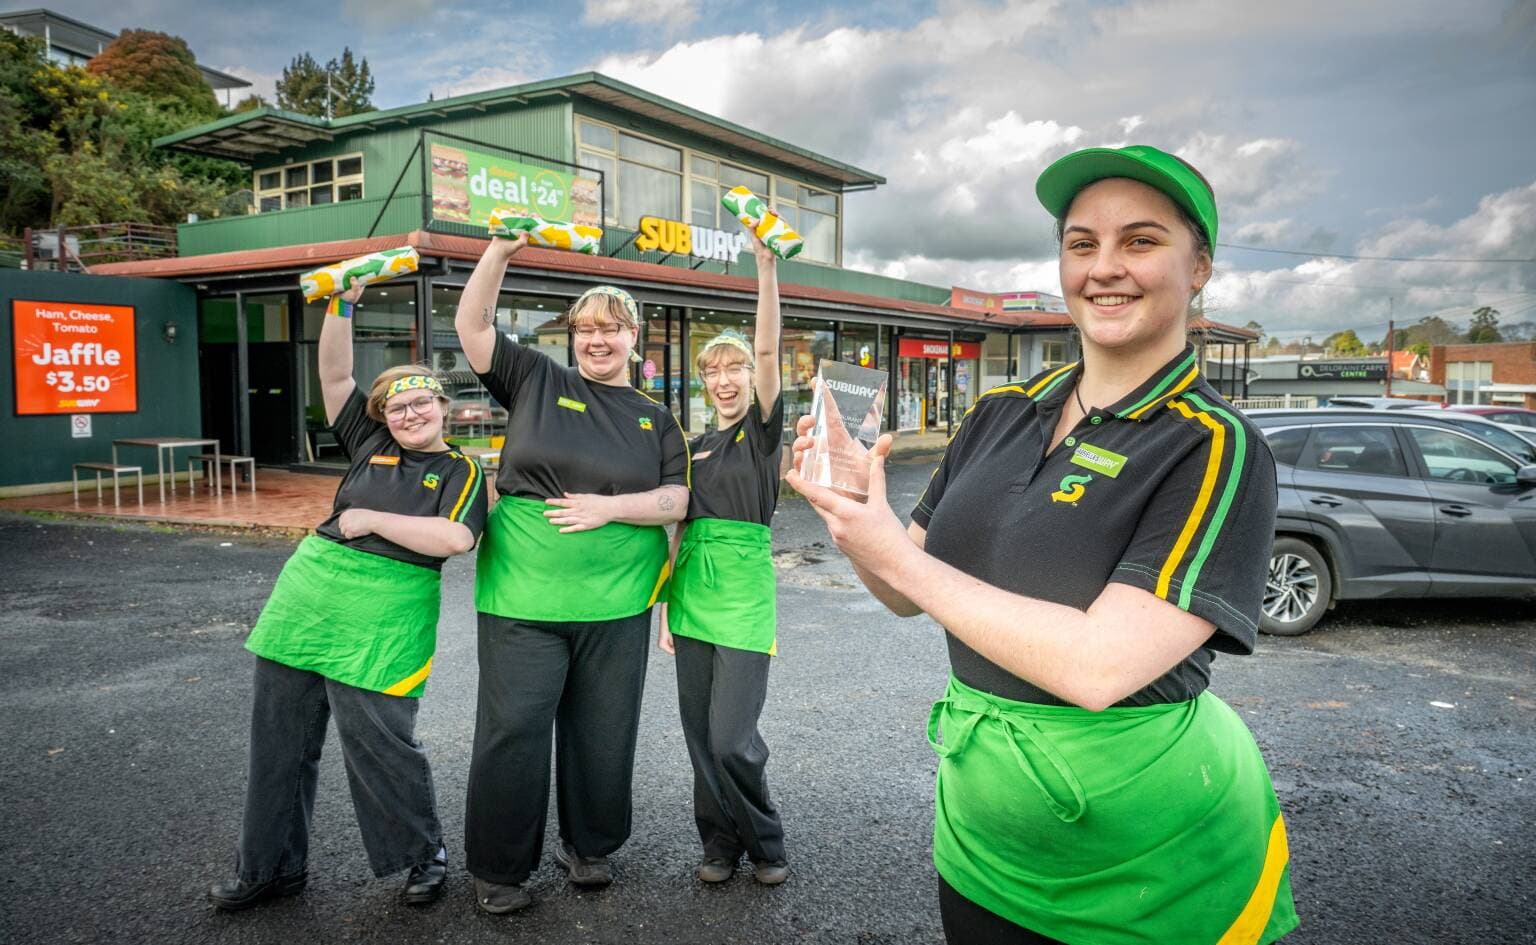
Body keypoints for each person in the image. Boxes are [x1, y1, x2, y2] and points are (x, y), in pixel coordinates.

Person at [787, 145, 1299, 945]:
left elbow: (1100, 667)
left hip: (1149, 869)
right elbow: (900, 591)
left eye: (1140, 240)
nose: (1105, 267)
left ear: (1199, 267)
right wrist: (855, 515)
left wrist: (893, 553)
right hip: (979, 845)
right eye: (1081, 243)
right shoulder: (999, 412)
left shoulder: (1215, 444)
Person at [209, 283, 487, 911]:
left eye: (420, 403)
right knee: (278, 744)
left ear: (442, 406)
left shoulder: (461, 470)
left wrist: (372, 519)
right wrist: (343, 302)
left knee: (382, 744)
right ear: (382, 417)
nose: (409, 415)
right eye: (396, 407)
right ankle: (270, 868)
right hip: (309, 598)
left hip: (385, 614)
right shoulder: (371, 443)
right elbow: (335, 374)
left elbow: (455, 538)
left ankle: (423, 856)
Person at [455, 232, 690, 915]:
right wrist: (499, 253)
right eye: (585, 328)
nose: (596, 339)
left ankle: (589, 845)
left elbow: (677, 500)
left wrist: (608, 507)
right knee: (513, 729)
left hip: (617, 602)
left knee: (603, 731)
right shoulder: (536, 379)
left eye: (611, 328)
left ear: (634, 338)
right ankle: (499, 867)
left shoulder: (656, 419)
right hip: (523, 595)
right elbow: (472, 326)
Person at [657, 233, 789, 886]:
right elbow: (679, 525)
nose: (725, 379)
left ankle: (766, 842)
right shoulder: (695, 444)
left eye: (734, 368)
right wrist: (664, 607)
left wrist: (764, 268)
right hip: (690, 594)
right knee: (699, 736)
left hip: (742, 593)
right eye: (713, 371)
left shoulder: (762, 436)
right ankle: (718, 844)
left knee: (733, 737)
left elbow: (767, 349)